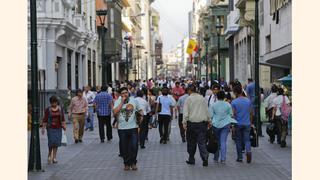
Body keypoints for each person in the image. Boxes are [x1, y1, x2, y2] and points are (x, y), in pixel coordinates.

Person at [113, 87, 143, 171]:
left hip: (133, 127)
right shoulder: (118, 101)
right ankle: (126, 163)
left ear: (128, 93)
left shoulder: (134, 100)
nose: (125, 94)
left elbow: (140, 111)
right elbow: (115, 112)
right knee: (124, 147)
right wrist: (122, 102)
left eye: (126, 92)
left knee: (134, 146)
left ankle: (133, 163)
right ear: (120, 94)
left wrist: (141, 117)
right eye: (122, 93)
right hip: (122, 128)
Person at [182, 84, 211, 167]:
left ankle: (191, 159)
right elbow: (207, 110)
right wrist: (209, 120)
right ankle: (205, 158)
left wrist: (184, 122)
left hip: (191, 124)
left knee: (191, 142)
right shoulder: (202, 98)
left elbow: (185, 112)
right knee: (202, 142)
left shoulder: (188, 99)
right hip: (202, 124)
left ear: (189, 91)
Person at [209, 91, 237, 164]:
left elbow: (211, 115)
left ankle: (216, 158)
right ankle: (223, 159)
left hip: (216, 124)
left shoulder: (214, 105)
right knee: (223, 141)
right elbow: (231, 114)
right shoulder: (228, 104)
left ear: (217, 97)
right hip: (225, 124)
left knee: (216, 141)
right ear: (224, 97)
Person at [41, 96, 66, 164]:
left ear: (57, 102)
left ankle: (54, 157)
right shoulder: (48, 110)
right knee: (51, 142)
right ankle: (49, 154)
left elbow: (63, 118)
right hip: (50, 128)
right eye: (52, 103)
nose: (53, 104)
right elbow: (45, 119)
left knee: (56, 143)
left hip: (58, 128)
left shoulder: (60, 109)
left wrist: (64, 126)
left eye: (55, 102)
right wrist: (43, 128)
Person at [231, 85, 253, 163]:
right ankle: (249, 151)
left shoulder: (234, 102)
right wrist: (251, 123)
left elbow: (233, 115)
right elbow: (251, 113)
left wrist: (232, 125)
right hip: (247, 123)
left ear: (236, 93)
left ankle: (240, 157)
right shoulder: (248, 101)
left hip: (238, 124)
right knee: (247, 140)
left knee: (238, 140)